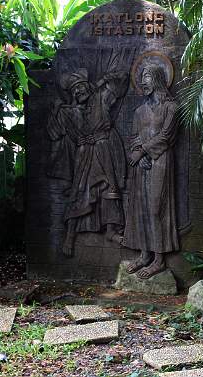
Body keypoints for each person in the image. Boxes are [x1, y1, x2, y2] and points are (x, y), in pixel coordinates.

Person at [47, 68, 127, 256]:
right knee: (80, 191)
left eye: (80, 87)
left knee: (109, 189)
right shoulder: (70, 112)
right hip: (84, 154)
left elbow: (122, 79)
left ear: (88, 86)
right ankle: (70, 235)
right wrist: (56, 110)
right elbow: (55, 133)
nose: (77, 92)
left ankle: (111, 230)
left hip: (105, 149)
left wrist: (104, 79)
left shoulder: (102, 97)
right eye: (74, 90)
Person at [124, 65, 180, 279]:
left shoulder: (171, 108)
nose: (143, 81)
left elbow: (166, 137)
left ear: (157, 79)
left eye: (147, 76)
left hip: (162, 161)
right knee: (142, 208)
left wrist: (143, 151)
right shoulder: (139, 111)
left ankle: (159, 260)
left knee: (157, 208)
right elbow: (133, 138)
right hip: (143, 164)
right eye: (141, 77)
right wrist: (139, 154)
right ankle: (144, 254)